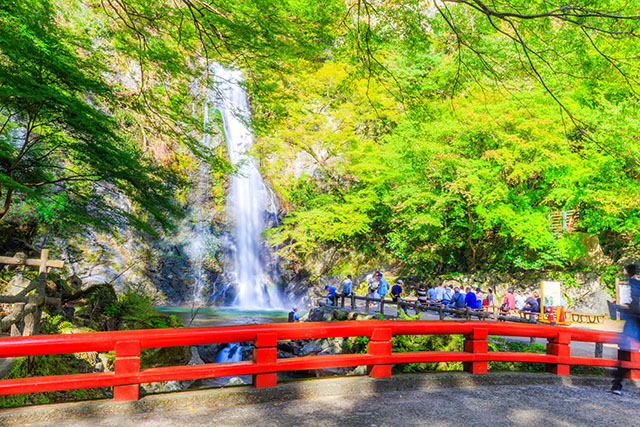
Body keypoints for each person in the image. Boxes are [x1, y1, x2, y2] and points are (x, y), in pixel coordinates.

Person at [612, 264, 640, 395]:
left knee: (624, 352)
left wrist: (619, 309)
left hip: (633, 322)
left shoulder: (630, 285)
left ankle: (617, 384)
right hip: (636, 320)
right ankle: (617, 382)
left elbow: (630, 305)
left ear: (628, 272)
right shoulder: (636, 284)